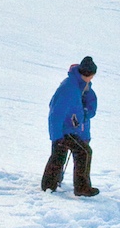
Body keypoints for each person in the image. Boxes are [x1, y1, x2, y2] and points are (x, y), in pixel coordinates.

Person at [42, 56, 99, 197]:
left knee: (59, 156)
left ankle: (49, 185)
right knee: (84, 153)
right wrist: (56, 137)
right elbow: (55, 112)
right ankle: (81, 188)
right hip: (65, 130)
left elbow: (85, 107)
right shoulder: (69, 87)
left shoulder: (82, 85)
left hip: (71, 129)